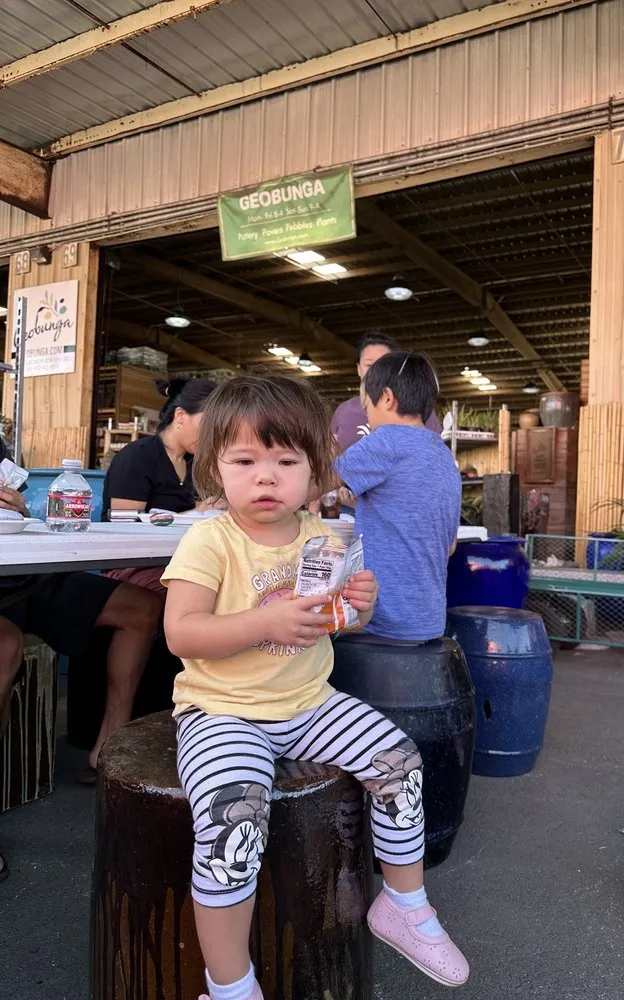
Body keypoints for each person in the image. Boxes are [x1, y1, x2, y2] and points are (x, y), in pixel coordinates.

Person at [161, 372, 469, 1000]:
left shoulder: (322, 538)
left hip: (309, 704)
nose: (267, 476)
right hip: (224, 711)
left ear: (317, 471)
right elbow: (182, 634)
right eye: (246, 460)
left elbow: (331, 623)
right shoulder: (209, 540)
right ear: (216, 469)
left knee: (399, 760)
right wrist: (265, 620)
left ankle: (403, 905)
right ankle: (230, 985)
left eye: (286, 460)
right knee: (231, 823)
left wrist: (357, 606)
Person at [0, 438, 162, 880]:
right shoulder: (143, 458)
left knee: (142, 607)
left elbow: (19, 518)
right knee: (5, 649)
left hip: (25, 577)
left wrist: (18, 510)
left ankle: (108, 744)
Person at [335, 352, 461, 642]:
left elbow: (317, 480)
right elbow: (449, 544)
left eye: (367, 407)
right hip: (428, 621)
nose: (367, 416)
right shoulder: (443, 457)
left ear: (388, 398)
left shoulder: (386, 439)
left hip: (381, 620)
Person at [102, 377, 217, 518]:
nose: (212, 436)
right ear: (180, 416)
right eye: (208, 426)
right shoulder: (137, 457)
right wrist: (199, 511)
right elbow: (125, 524)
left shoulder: (195, 462)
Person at [331, 334, 442, 452]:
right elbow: (329, 454)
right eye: (369, 365)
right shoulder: (343, 410)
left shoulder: (417, 410)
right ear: (358, 368)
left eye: (382, 365)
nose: (374, 371)